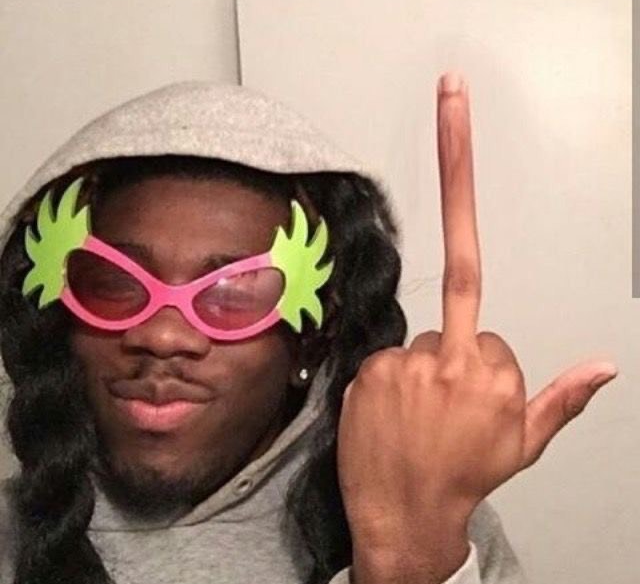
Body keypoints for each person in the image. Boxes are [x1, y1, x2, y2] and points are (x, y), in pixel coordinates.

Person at [0, 75, 617, 584]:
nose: (162, 336)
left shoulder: (427, 513)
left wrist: (407, 562)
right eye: (112, 282)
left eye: (233, 294)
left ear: (312, 337)